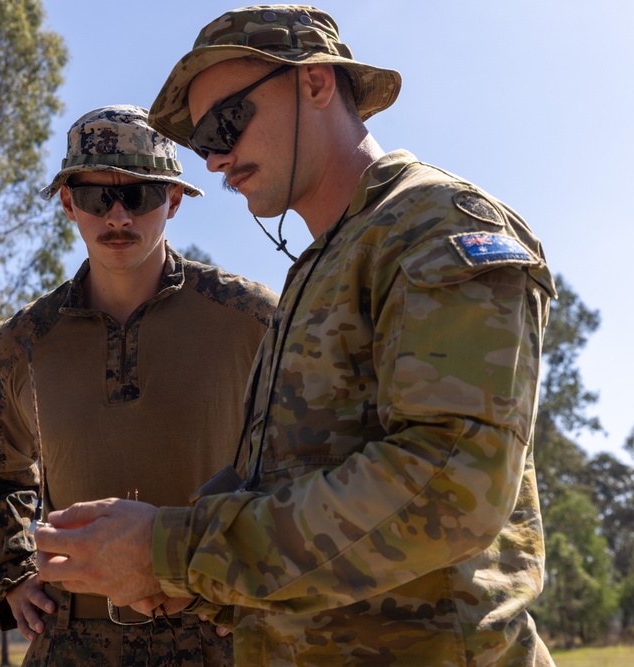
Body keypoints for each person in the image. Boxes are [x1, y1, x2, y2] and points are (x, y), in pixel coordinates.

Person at [33, 6, 559, 666]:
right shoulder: (316, 270)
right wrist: (180, 576)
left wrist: (172, 548)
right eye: (202, 143)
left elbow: (450, 485)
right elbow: (285, 483)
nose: (217, 156)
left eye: (226, 122)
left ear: (313, 83)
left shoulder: (432, 225)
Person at [0, 104, 278, 666]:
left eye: (140, 195)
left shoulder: (252, 318)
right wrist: (13, 571)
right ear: (67, 204)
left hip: (221, 637)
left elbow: (305, 466)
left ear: (174, 200)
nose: (118, 217)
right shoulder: (22, 343)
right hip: (72, 643)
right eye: (96, 197)